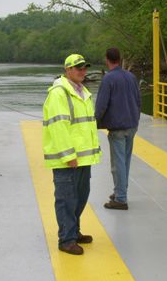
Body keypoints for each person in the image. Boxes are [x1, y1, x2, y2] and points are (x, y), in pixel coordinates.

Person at [42, 54, 102, 255]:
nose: (82, 71)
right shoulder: (59, 93)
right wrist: (69, 156)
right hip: (68, 160)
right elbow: (60, 127)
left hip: (84, 158)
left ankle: (74, 232)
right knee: (67, 199)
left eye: (84, 67)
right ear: (67, 70)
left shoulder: (82, 92)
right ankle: (66, 240)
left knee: (80, 197)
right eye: (78, 68)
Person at [95, 47, 141, 210]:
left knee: (118, 163)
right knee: (125, 161)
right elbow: (138, 100)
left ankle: (121, 198)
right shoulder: (131, 77)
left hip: (118, 128)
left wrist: (95, 122)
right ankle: (120, 191)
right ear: (120, 59)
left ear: (107, 59)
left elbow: (101, 104)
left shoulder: (108, 79)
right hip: (132, 125)